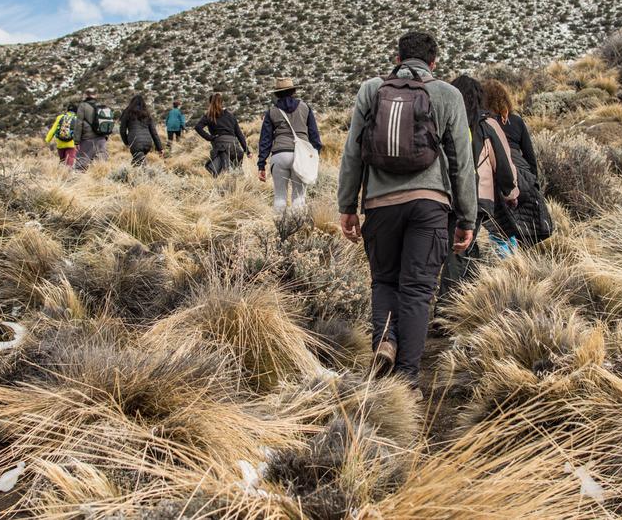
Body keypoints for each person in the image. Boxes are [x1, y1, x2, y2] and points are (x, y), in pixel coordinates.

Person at [337, 31, 477, 391]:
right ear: (433, 63)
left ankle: (385, 339)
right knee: (416, 290)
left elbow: (352, 153)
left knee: (384, 281)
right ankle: (407, 380)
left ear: (397, 57)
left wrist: (347, 206)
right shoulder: (448, 94)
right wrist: (467, 218)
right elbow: (462, 162)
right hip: (429, 206)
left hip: (380, 205)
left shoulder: (372, 90)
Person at [449, 76, 519, 263]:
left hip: (447, 194)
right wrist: (510, 192)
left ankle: (458, 284)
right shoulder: (487, 124)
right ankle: (457, 288)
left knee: (453, 244)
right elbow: (504, 163)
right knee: (462, 249)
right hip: (480, 196)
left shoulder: (446, 121)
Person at [482, 77, 549, 250]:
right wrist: (534, 181)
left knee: (499, 222)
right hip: (521, 175)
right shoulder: (516, 121)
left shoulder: (483, 124)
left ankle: (505, 258)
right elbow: (530, 155)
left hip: (495, 176)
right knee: (522, 221)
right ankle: (519, 257)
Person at [257, 77, 323, 213]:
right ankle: (297, 229)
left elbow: (265, 139)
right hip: (302, 155)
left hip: (279, 155)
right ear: (293, 90)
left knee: (280, 196)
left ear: (277, 93)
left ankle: (280, 229)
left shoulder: (271, 112)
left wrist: (261, 164)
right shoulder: (305, 107)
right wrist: (315, 155)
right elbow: (314, 135)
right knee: (299, 197)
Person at [195, 93, 250, 174]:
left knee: (223, 173)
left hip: (221, 147)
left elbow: (198, 127)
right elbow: (239, 135)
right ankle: (243, 186)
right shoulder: (230, 116)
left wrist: (210, 138)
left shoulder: (209, 115)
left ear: (210, 103)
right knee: (237, 171)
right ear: (222, 102)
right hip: (235, 147)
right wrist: (247, 151)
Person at [119, 93, 164, 166]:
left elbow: (122, 130)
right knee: (137, 162)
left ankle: (146, 175)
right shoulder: (147, 113)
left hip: (135, 142)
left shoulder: (127, 112)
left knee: (140, 165)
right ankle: (133, 175)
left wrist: (126, 142)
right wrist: (159, 148)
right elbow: (154, 132)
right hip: (148, 143)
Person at [73, 88, 112, 171]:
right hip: (102, 138)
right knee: (101, 164)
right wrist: (106, 136)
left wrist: (76, 141)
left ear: (86, 95)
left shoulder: (82, 106)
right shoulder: (101, 105)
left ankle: (79, 182)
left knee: (81, 164)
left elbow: (78, 124)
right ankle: (100, 182)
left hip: (87, 139)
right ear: (96, 95)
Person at [44, 103, 79, 168]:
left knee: (62, 161)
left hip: (60, 144)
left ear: (67, 110)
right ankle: (66, 175)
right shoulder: (77, 119)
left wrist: (47, 140)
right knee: (69, 163)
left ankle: (61, 174)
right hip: (71, 144)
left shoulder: (60, 117)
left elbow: (53, 129)